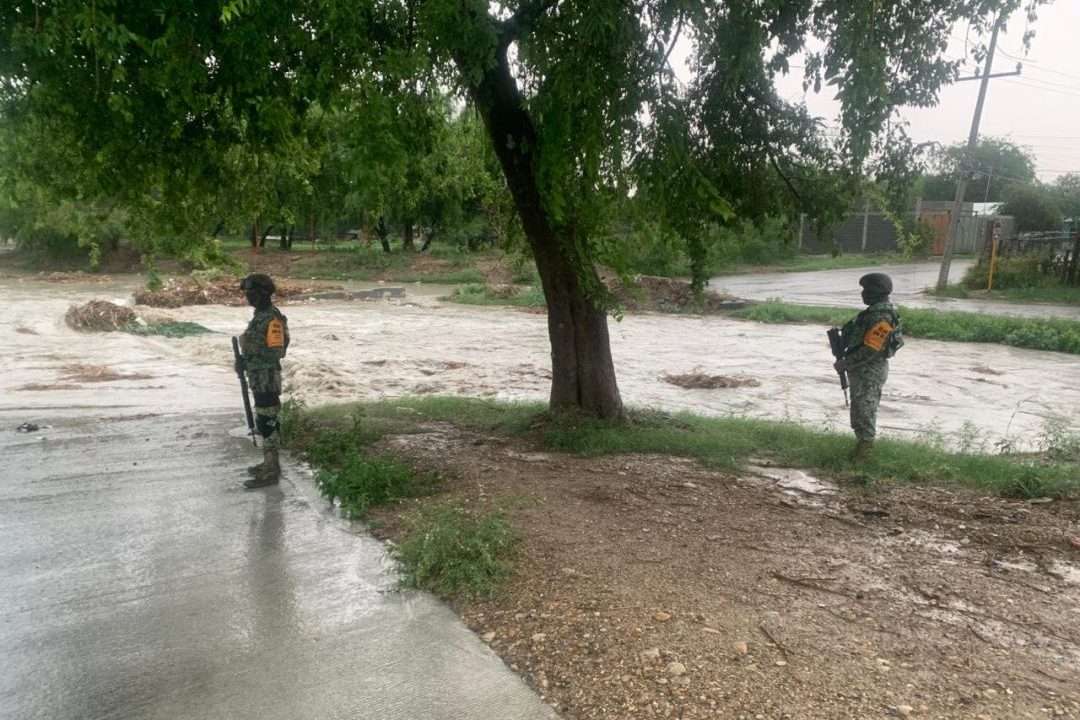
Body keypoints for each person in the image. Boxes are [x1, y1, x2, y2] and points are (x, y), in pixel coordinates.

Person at [833, 272, 903, 460]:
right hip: (863, 369)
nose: (863, 293)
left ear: (876, 291)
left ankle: (864, 454)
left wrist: (846, 363)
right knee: (859, 410)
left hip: (870, 371)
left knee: (865, 410)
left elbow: (872, 349)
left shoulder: (882, 316)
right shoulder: (872, 313)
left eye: (866, 289)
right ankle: (861, 450)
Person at [236, 273, 290, 488]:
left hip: (267, 377)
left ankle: (271, 470)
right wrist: (243, 362)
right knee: (264, 420)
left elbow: (276, 352)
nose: (247, 297)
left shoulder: (271, 318)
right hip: (259, 376)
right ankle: (269, 463)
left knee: (268, 422)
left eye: (251, 293)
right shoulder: (260, 315)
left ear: (262, 293)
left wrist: (248, 353)